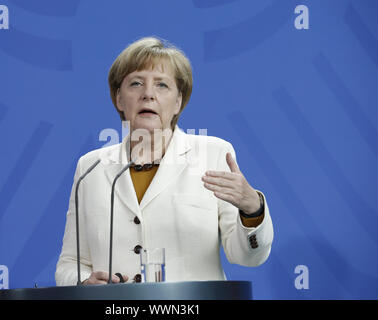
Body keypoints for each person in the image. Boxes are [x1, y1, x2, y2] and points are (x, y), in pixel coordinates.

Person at [55, 37, 273, 285]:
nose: (148, 95)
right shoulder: (91, 167)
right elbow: (70, 264)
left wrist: (251, 209)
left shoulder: (214, 154)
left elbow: (247, 257)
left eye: (161, 86)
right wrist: (84, 282)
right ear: (119, 99)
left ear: (178, 101)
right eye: (136, 83)